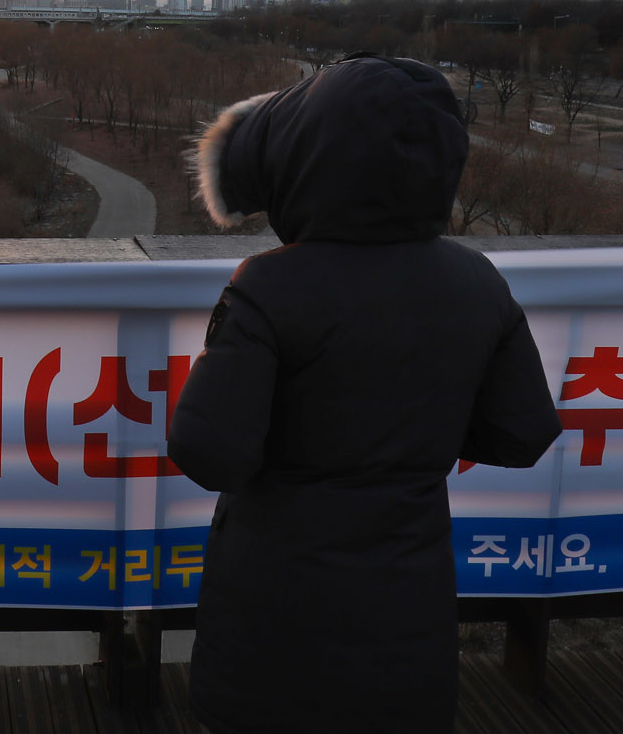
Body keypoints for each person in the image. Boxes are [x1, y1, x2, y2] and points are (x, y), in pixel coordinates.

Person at [168, 53, 562, 733]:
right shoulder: (476, 280)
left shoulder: (270, 286)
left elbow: (209, 452)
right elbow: (520, 433)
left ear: (309, 166)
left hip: (273, 627)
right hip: (408, 619)